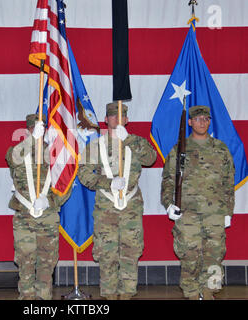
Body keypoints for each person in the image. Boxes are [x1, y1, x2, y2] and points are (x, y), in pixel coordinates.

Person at [78, 102, 157, 300]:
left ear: (127, 120)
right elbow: (84, 175)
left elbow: (151, 158)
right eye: (113, 116)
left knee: (130, 253)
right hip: (106, 209)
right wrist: (108, 182)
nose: (117, 119)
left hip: (130, 207)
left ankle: (127, 295)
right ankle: (109, 296)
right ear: (106, 120)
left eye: (121, 116)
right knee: (107, 255)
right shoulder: (95, 146)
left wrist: (128, 140)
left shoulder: (137, 142)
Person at [161, 105, 235, 300]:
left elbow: (228, 182)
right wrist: (169, 204)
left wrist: (228, 211)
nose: (203, 122)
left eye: (206, 119)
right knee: (189, 257)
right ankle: (193, 294)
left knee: (214, 257)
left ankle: (209, 293)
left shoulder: (221, 149)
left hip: (215, 215)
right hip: (188, 215)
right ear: (190, 122)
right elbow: (168, 179)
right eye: (199, 119)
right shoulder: (180, 149)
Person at [6, 114, 71, 300]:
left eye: (40, 130)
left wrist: (50, 202)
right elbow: (12, 158)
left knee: (46, 264)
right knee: (25, 264)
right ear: (28, 131)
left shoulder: (56, 154)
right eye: (33, 130)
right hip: (24, 217)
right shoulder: (18, 151)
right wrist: (32, 140)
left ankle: (43, 301)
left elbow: (65, 185)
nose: (38, 133)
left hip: (48, 216)